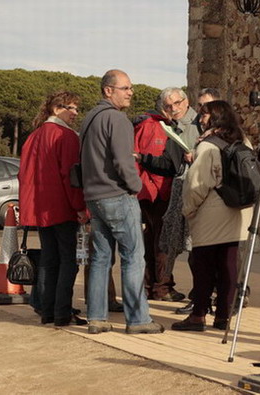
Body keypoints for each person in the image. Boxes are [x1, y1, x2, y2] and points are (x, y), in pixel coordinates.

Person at [80, 69, 164, 335]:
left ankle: (96, 317)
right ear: (108, 90)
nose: (131, 92)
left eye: (130, 88)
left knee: (101, 259)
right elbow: (123, 161)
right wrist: (136, 186)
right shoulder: (117, 120)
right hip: (117, 196)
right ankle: (138, 319)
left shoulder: (89, 119)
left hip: (94, 197)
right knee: (133, 258)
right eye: (125, 88)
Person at [171, 100, 253, 331]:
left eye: (205, 115)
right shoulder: (243, 141)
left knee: (203, 266)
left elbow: (197, 184)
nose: (201, 118)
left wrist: (189, 210)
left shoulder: (208, 146)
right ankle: (223, 317)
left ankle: (198, 315)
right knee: (228, 266)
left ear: (215, 117)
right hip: (237, 211)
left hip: (211, 213)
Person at [18, 91, 89, 327]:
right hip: (61, 207)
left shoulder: (34, 136)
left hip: (40, 208)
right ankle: (62, 312)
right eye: (72, 108)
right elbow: (72, 177)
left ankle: (48, 311)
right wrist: (80, 207)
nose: (76, 113)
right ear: (58, 108)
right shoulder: (65, 136)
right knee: (68, 261)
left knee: (49, 260)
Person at [134, 96, 185, 302]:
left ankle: (150, 287)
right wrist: (159, 191)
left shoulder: (142, 124)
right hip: (156, 191)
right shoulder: (154, 126)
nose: (174, 109)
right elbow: (153, 161)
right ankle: (162, 288)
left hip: (145, 191)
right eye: (169, 105)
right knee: (162, 241)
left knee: (150, 240)